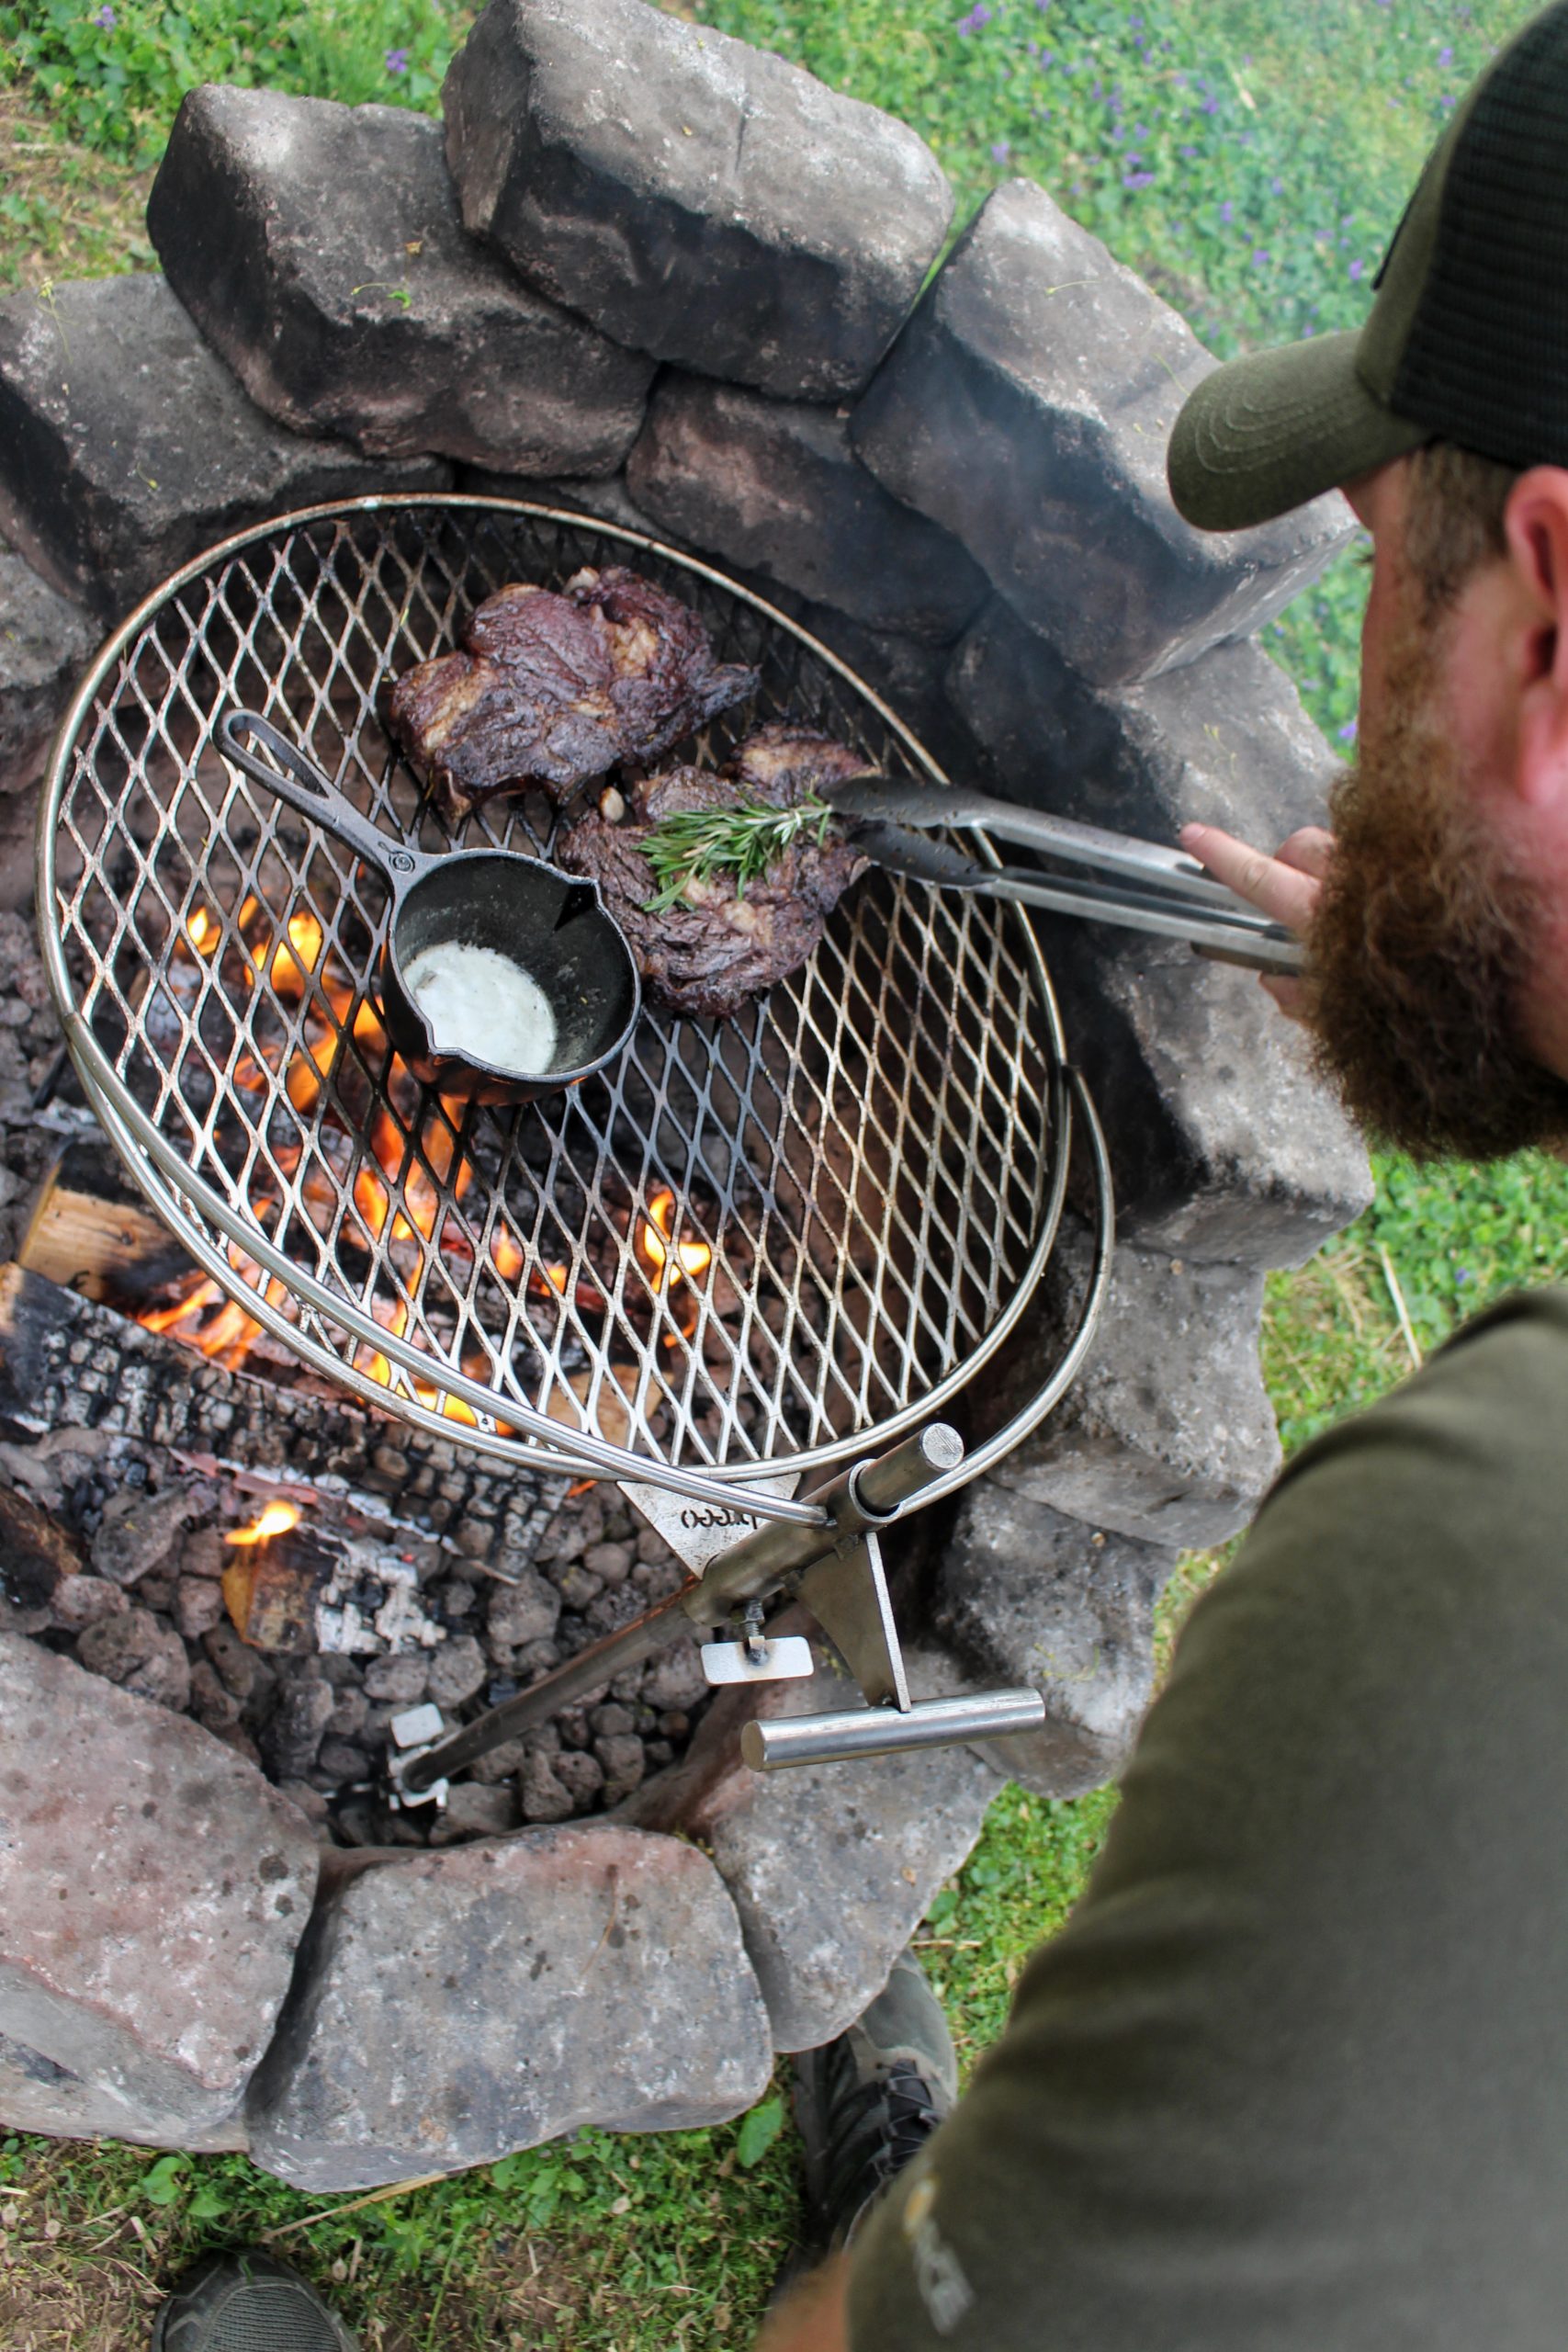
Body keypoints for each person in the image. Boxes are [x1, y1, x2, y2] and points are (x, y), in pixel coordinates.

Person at [152, 8, 1568, 2348]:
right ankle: (907, 2194)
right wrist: (1484, 960)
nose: (1366, 656)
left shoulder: (1480, 1587)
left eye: (1388, 549)